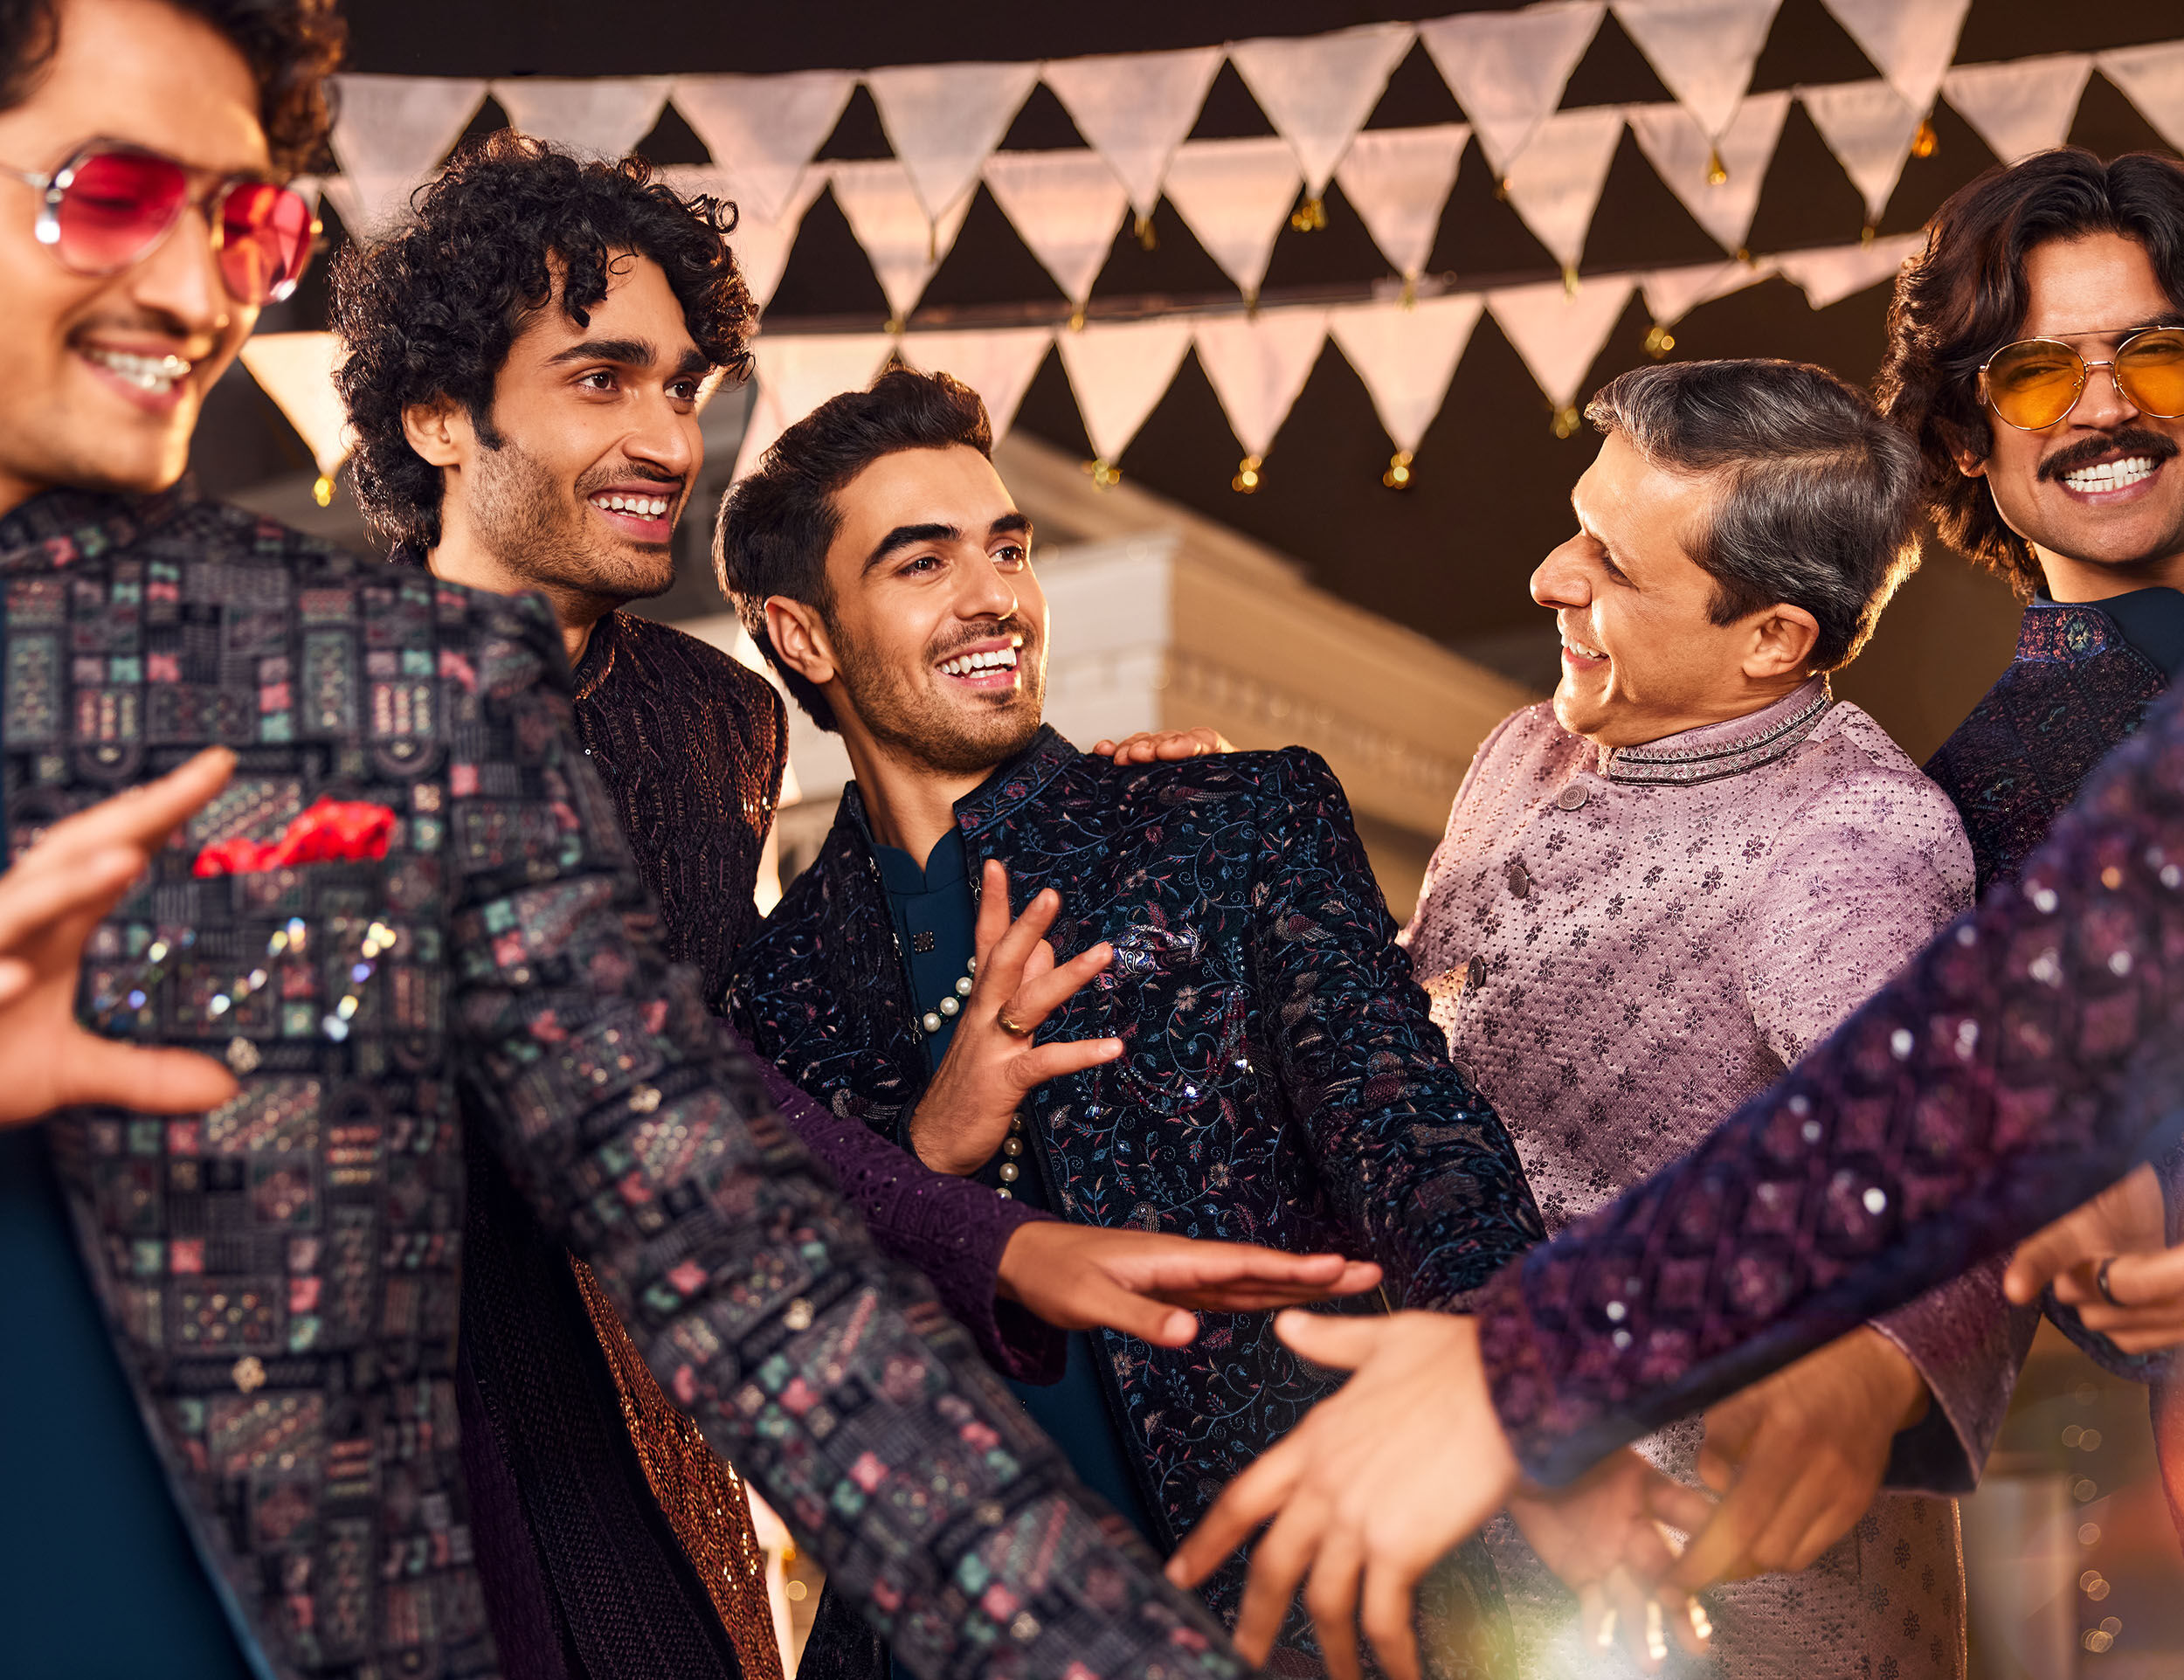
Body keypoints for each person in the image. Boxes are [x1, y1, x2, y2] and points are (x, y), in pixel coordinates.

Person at [0, 2, 1277, 1675]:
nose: (193, 291)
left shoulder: (380, 690)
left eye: (248, 224)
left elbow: (709, 1206)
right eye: (107, 193)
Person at [326, 133, 1359, 1680]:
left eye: (683, 388)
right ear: (433, 414)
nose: (672, 439)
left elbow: (719, 1048)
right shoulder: (331, 694)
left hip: (626, 1410)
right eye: (601, 379)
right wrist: (987, 1235)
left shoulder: (708, 719)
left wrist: (941, 1119)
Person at [716, 366, 1547, 1675]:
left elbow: (1418, 1139)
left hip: (1286, 1609)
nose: (996, 595)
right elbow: (783, 1351)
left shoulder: (1226, 822)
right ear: (805, 636)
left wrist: (1527, 1390)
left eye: (1008, 548)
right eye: (922, 564)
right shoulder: (774, 994)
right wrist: (931, 1146)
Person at [1400, 358, 2008, 1679]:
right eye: (1577, 524)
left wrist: (1873, 1365)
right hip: (1483, 1517)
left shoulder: (1848, 843)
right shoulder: (1530, 747)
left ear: (1773, 640)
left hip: (1717, 1577)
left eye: (1612, 566)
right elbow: (1428, 1016)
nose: (1551, 578)